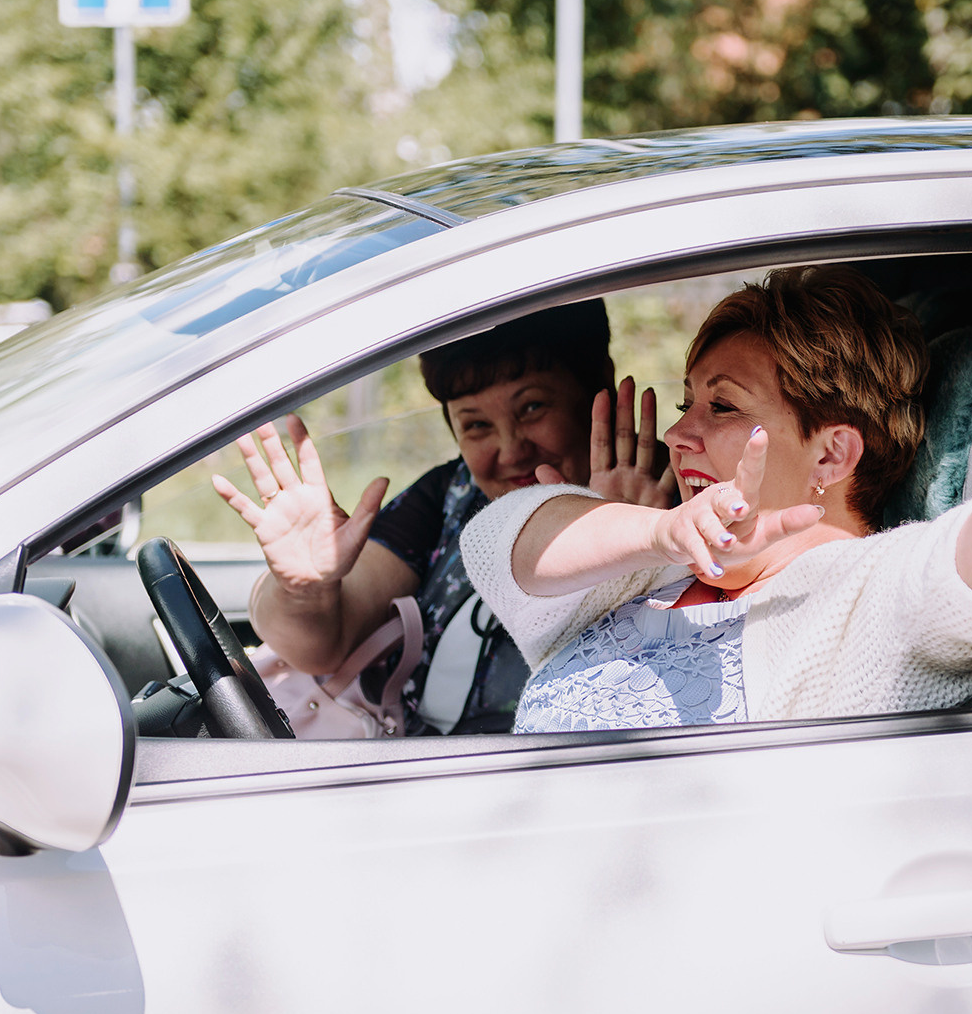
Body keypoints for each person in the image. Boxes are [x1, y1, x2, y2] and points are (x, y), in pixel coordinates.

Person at [459, 266, 972, 733]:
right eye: (687, 403)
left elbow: (966, 572)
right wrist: (662, 532)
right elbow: (497, 544)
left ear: (832, 451)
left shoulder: (859, 600)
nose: (680, 436)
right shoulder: (655, 564)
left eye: (722, 407)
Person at [213, 301, 675, 735]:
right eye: (476, 425)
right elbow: (323, 644)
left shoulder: (673, 503)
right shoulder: (451, 494)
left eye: (533, 407)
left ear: (599, 382)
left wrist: (632, 544)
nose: (511, 450)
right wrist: (305, 593)